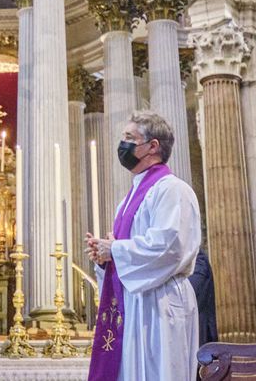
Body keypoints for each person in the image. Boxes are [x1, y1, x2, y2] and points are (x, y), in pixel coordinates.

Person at [84, 111, 201, 381]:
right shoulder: (126, 201)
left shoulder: (172, 189)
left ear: (153, 146)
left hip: (161, 302)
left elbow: (168, 246)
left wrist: (115, 250)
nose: (122, 144)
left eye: (129, 138)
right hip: (133, 304)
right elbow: (126, 253)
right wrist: (105, 260)